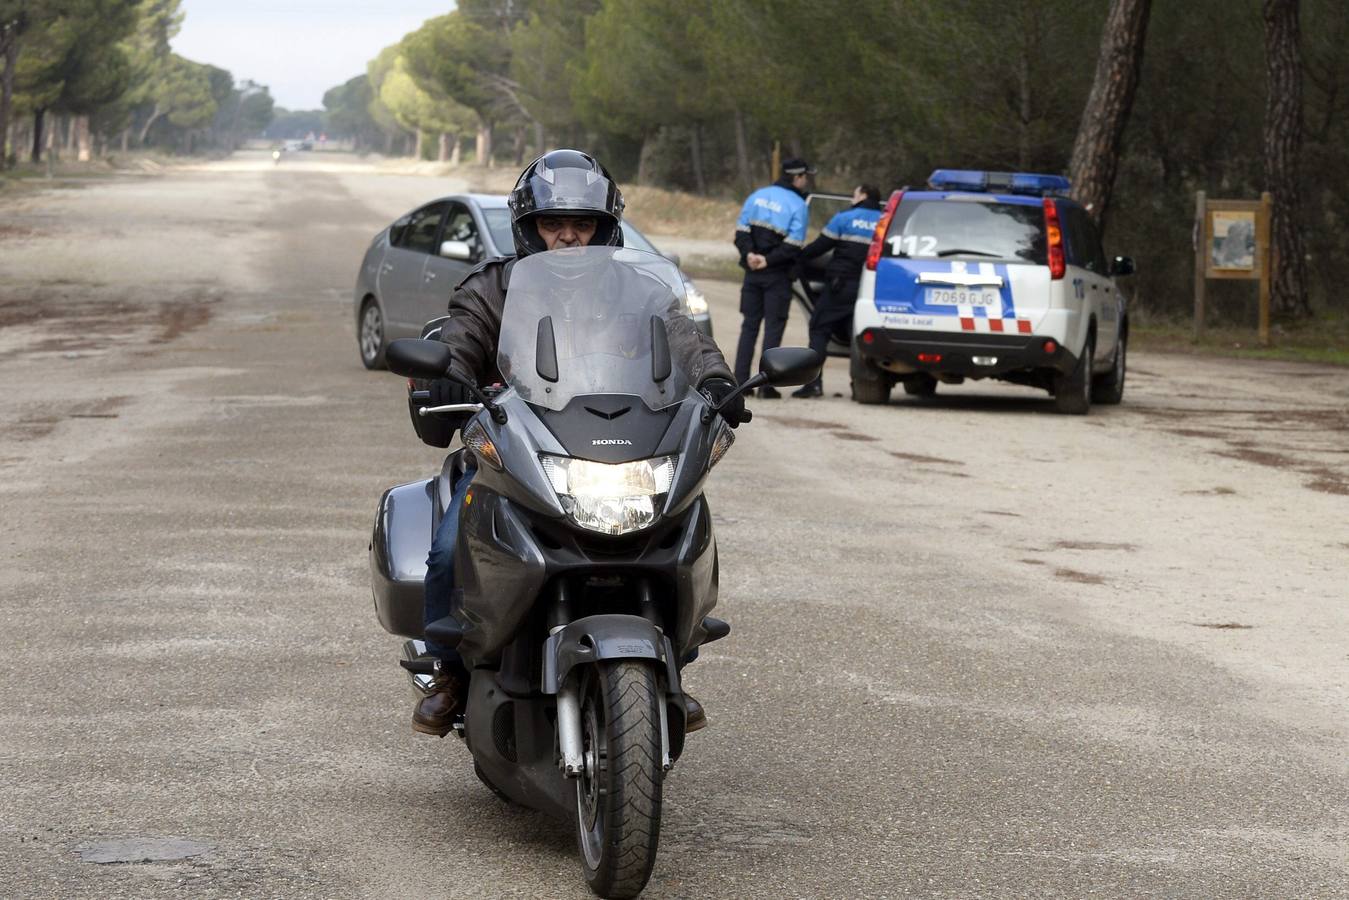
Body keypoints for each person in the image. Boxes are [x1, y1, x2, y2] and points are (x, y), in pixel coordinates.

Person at [412, 149, 747, 737]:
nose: (568, 236)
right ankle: (450, 671)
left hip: (621, 437)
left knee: (683, 521)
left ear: (604, 227)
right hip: (519, 442)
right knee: (447, 548)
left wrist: (717, 380)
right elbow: (461, 340)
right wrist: (447, 374)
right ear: (528, 228)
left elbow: (686, 338)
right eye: (553, 223)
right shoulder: (492, 288)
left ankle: (675, 655)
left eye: (583, 223)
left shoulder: (641, 288)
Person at [791, 184, 884, 398]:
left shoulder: (845, 218)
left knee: (819, 328)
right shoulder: (884, 222)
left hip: (840, 285)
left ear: (863, 195)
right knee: (859, 334)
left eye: (854, 193)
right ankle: (861, 384)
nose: (853, 197)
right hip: (869, 288)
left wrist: (797, 257)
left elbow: (821, 246)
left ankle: (813, 384)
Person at [733, 158, 813, 398]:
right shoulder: (798, 204)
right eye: (805, 176)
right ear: (797, 177)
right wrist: (768, 260)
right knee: (773, 329)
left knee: (749, 327)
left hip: (752, 273)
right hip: (777, 275)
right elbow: (794, 244)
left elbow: (741, 232)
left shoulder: (757, 195)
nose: (806, 180)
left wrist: (749, 255)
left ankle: (741, 383)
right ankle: (767, 387)